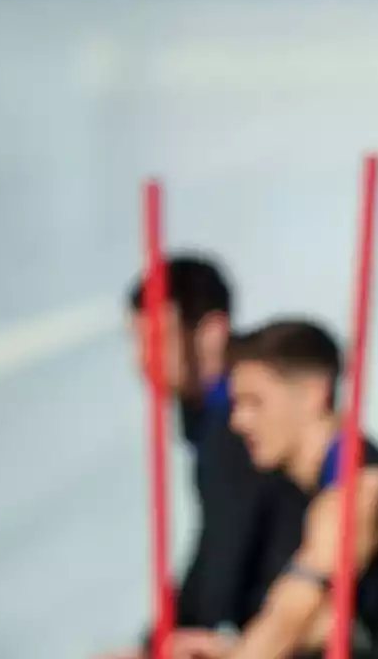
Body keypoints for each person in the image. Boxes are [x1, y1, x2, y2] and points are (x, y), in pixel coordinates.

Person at [176, 319, 378, 659]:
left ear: (315, 392)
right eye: (236, 404)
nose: (238, 421)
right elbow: (324, 623)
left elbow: (293, 614)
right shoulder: (317, 487)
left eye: (255, 402)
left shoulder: (362, 488)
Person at [100, 255, 312, 659]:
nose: (140, 359)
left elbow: (223, 560)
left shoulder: (239, 423)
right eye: (136, 341)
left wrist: (158, 647)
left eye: (157, 339)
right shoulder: (209, 416)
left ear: (212, 332)